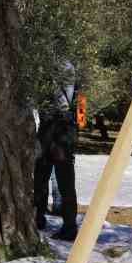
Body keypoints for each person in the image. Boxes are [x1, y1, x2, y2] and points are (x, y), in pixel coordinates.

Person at [33, 84, 80, 241]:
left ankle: (66, 226)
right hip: (63, 133)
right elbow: (81, 110)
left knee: (47, 178)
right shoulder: (76, 77)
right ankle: (64, 224)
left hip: (55, 133)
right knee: (57, 180)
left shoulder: (52, 74)